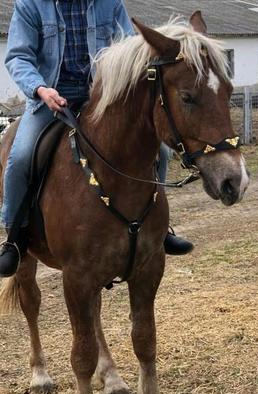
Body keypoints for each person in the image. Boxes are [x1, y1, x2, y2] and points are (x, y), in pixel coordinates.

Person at [0, 0, 193, 278]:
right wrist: (41, 89)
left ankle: (159, 229)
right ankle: (15, 239)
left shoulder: (109, 4)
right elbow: (19, 57)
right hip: (50, 98)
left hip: (102, 95)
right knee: (20, 158)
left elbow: (131, 46)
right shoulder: (31, 5)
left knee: (160, 152)